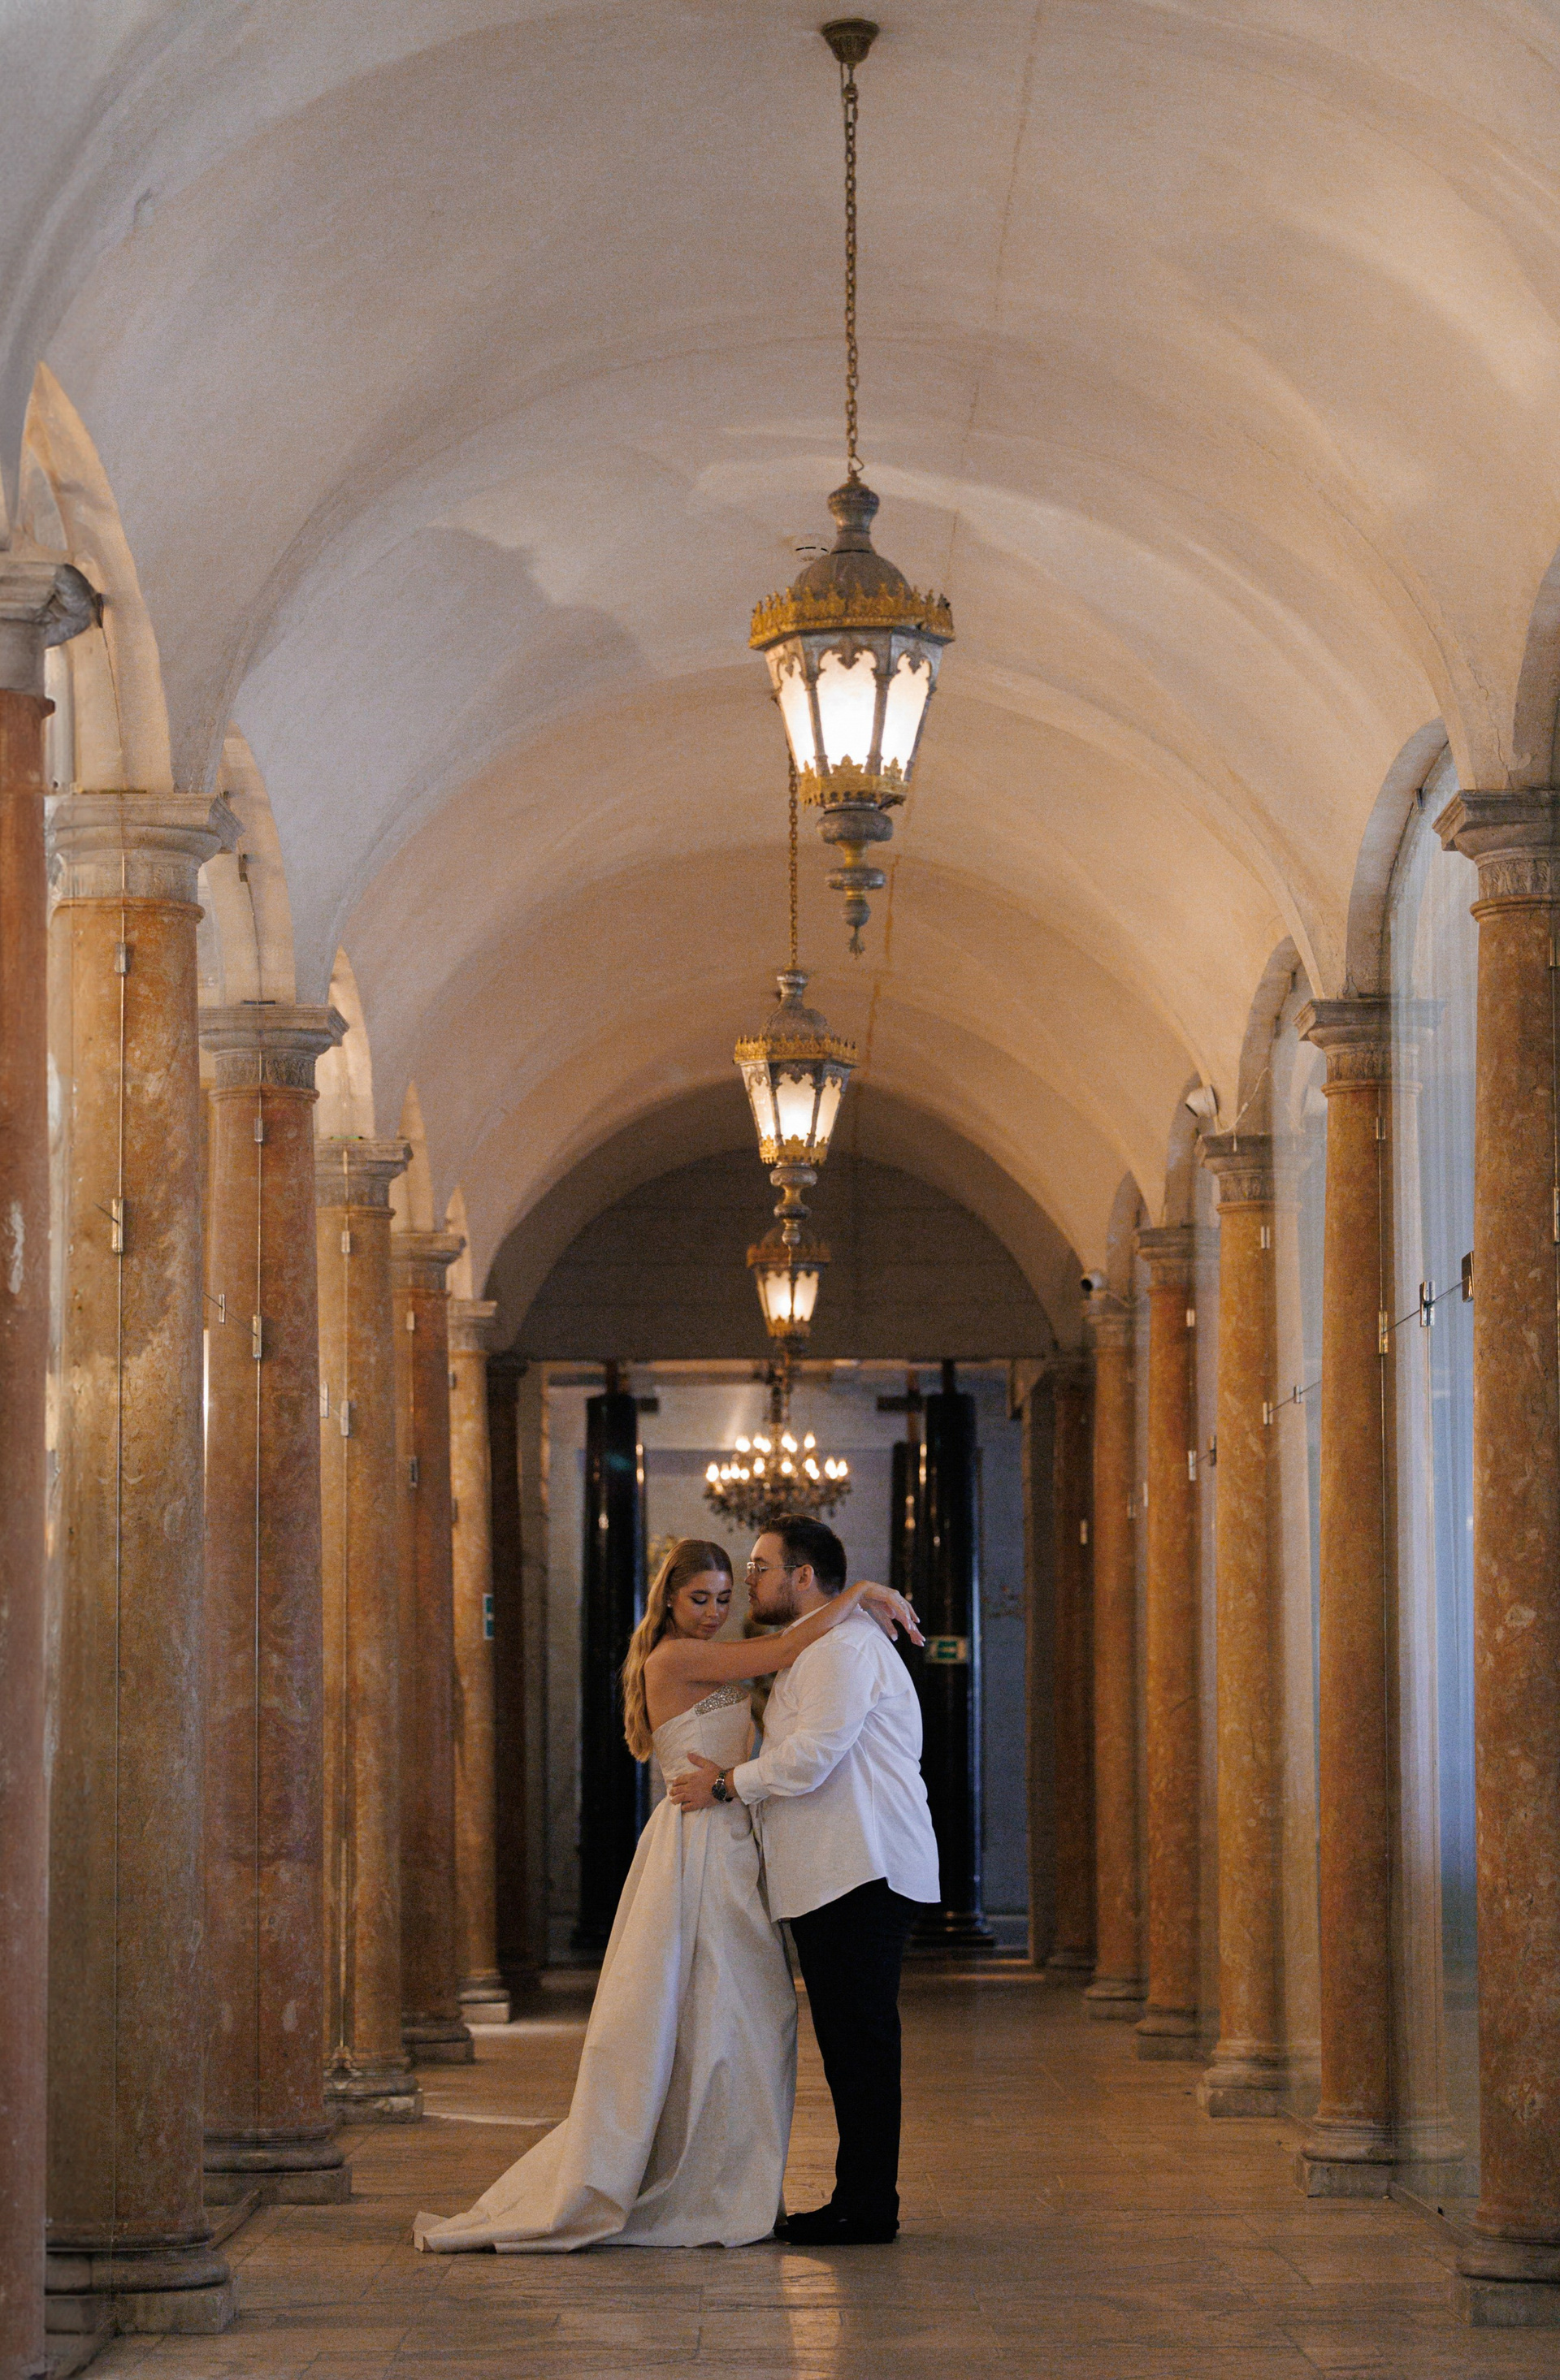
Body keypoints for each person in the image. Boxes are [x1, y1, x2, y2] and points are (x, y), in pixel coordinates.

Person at [414, 1534, 920, 2254]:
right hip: (701, 1842)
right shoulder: (676, 1657)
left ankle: (731, 2181)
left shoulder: (735, 1652)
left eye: (725, 1597)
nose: (714, 1611)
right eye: (699, 1598)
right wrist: (861, 1592)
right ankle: (706, 2187)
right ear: (670, 1599)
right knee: (714, 2016)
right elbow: (781, 1652)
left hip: (734, 1837)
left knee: (738, 2021)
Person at [670, 1515, 940, 2246]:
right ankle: (859, 2198)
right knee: (851, 2045)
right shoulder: (816, 1644)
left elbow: (812, 1758)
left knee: (862, 2044)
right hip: (834, 1871)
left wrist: (726, 1783)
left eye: (760, 1567)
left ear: (802, 1576)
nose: (749, 1580)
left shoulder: (843, 1648)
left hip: (863, 1867)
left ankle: (869, 2206)